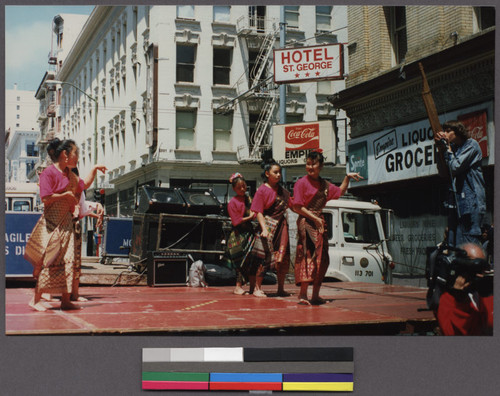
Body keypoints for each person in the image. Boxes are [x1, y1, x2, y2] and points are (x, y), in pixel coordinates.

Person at [24, 139, 106, 311]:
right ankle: (36, 299)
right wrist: (64, 196)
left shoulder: (72, 176)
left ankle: (65, 300)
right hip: (52, 224)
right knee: (50, 261)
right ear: (65, 155)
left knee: (69, 262)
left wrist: (94, 169)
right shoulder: (49, 173)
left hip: (67, 225)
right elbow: (45, 198)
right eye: (76, 153)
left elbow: (85, 185)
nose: (78, 157)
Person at [293, 149, 363, 305]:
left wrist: (347, 178)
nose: (310, 167)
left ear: (321, 165)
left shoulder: (325, 184)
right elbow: (298, 207)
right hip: (306, 221)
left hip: (319, 222)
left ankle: (315, 295)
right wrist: (315, 218)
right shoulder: (301, 183)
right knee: (308, 255)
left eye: (314, 164)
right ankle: (303, 294)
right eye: (308, 164)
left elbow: (339, 192)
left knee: (323, 258)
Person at [435, 121, 486, 247]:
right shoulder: (454, 149)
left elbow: (454, 167)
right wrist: (440, 151)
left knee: (468, 244)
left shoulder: (471, 145)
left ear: (457, 132)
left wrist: (448, 149)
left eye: (447, 131)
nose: (444, 134)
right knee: (454, 244)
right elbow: (443, 173)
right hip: (456, 203)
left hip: (471, 203)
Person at [250, 158, 292, 298]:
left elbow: (294, 205)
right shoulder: (262, 190)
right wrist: (264, 229)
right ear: (267, 173)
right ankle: (257, 288)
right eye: (275, 172)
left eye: (280, 172)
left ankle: (280, 288)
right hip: (267, 226)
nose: (278, 175)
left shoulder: (284, 192)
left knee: (283, 257)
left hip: (282, 227)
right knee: (263, 258)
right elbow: (258, 211)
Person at [436, 242, 493, 335]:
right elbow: (450, 333)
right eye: (474, 266)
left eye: (481, 266)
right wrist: (460, 300)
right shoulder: (447, 299)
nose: (479, 274)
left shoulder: (487, 294)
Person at [224, 173, 256, 295]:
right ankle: (238, 286)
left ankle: (253, 287)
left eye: (244, 186)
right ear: (234, 189)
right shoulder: (232, 203)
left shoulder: (249, 199)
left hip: (249, 233)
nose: (242, 189)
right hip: (238, 235)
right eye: (239, 188)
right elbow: (236, 221)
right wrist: (250, 217)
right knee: (240, 263)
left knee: (252, 261)